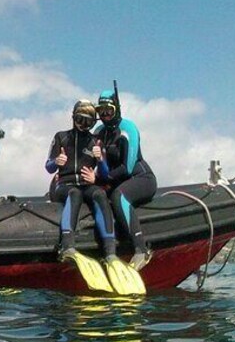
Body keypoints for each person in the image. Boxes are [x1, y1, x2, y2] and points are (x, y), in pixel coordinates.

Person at [93, 88, 157, 270]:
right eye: (101, 111)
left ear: (117, 109)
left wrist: (101, 178)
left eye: (109, 110)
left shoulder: (128, 128)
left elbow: (126, 168)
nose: (105, 115)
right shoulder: (99, 131)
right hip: (112, 179)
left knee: (118, 196)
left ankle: (141, 250)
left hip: (140, 177)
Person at [46, 100, 117, 260]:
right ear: (73, 117)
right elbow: (48, 167)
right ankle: (67, 247)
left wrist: (100, 160)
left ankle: (110, 251)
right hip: (64, 186)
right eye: (80, 120)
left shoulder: (96, 142)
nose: (83, 125)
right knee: (74, 193)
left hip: (87, 185)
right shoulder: (61, 137)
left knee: (99, 194)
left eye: (88, 122)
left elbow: (105, 175)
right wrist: (57, 161)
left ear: (93, 123)